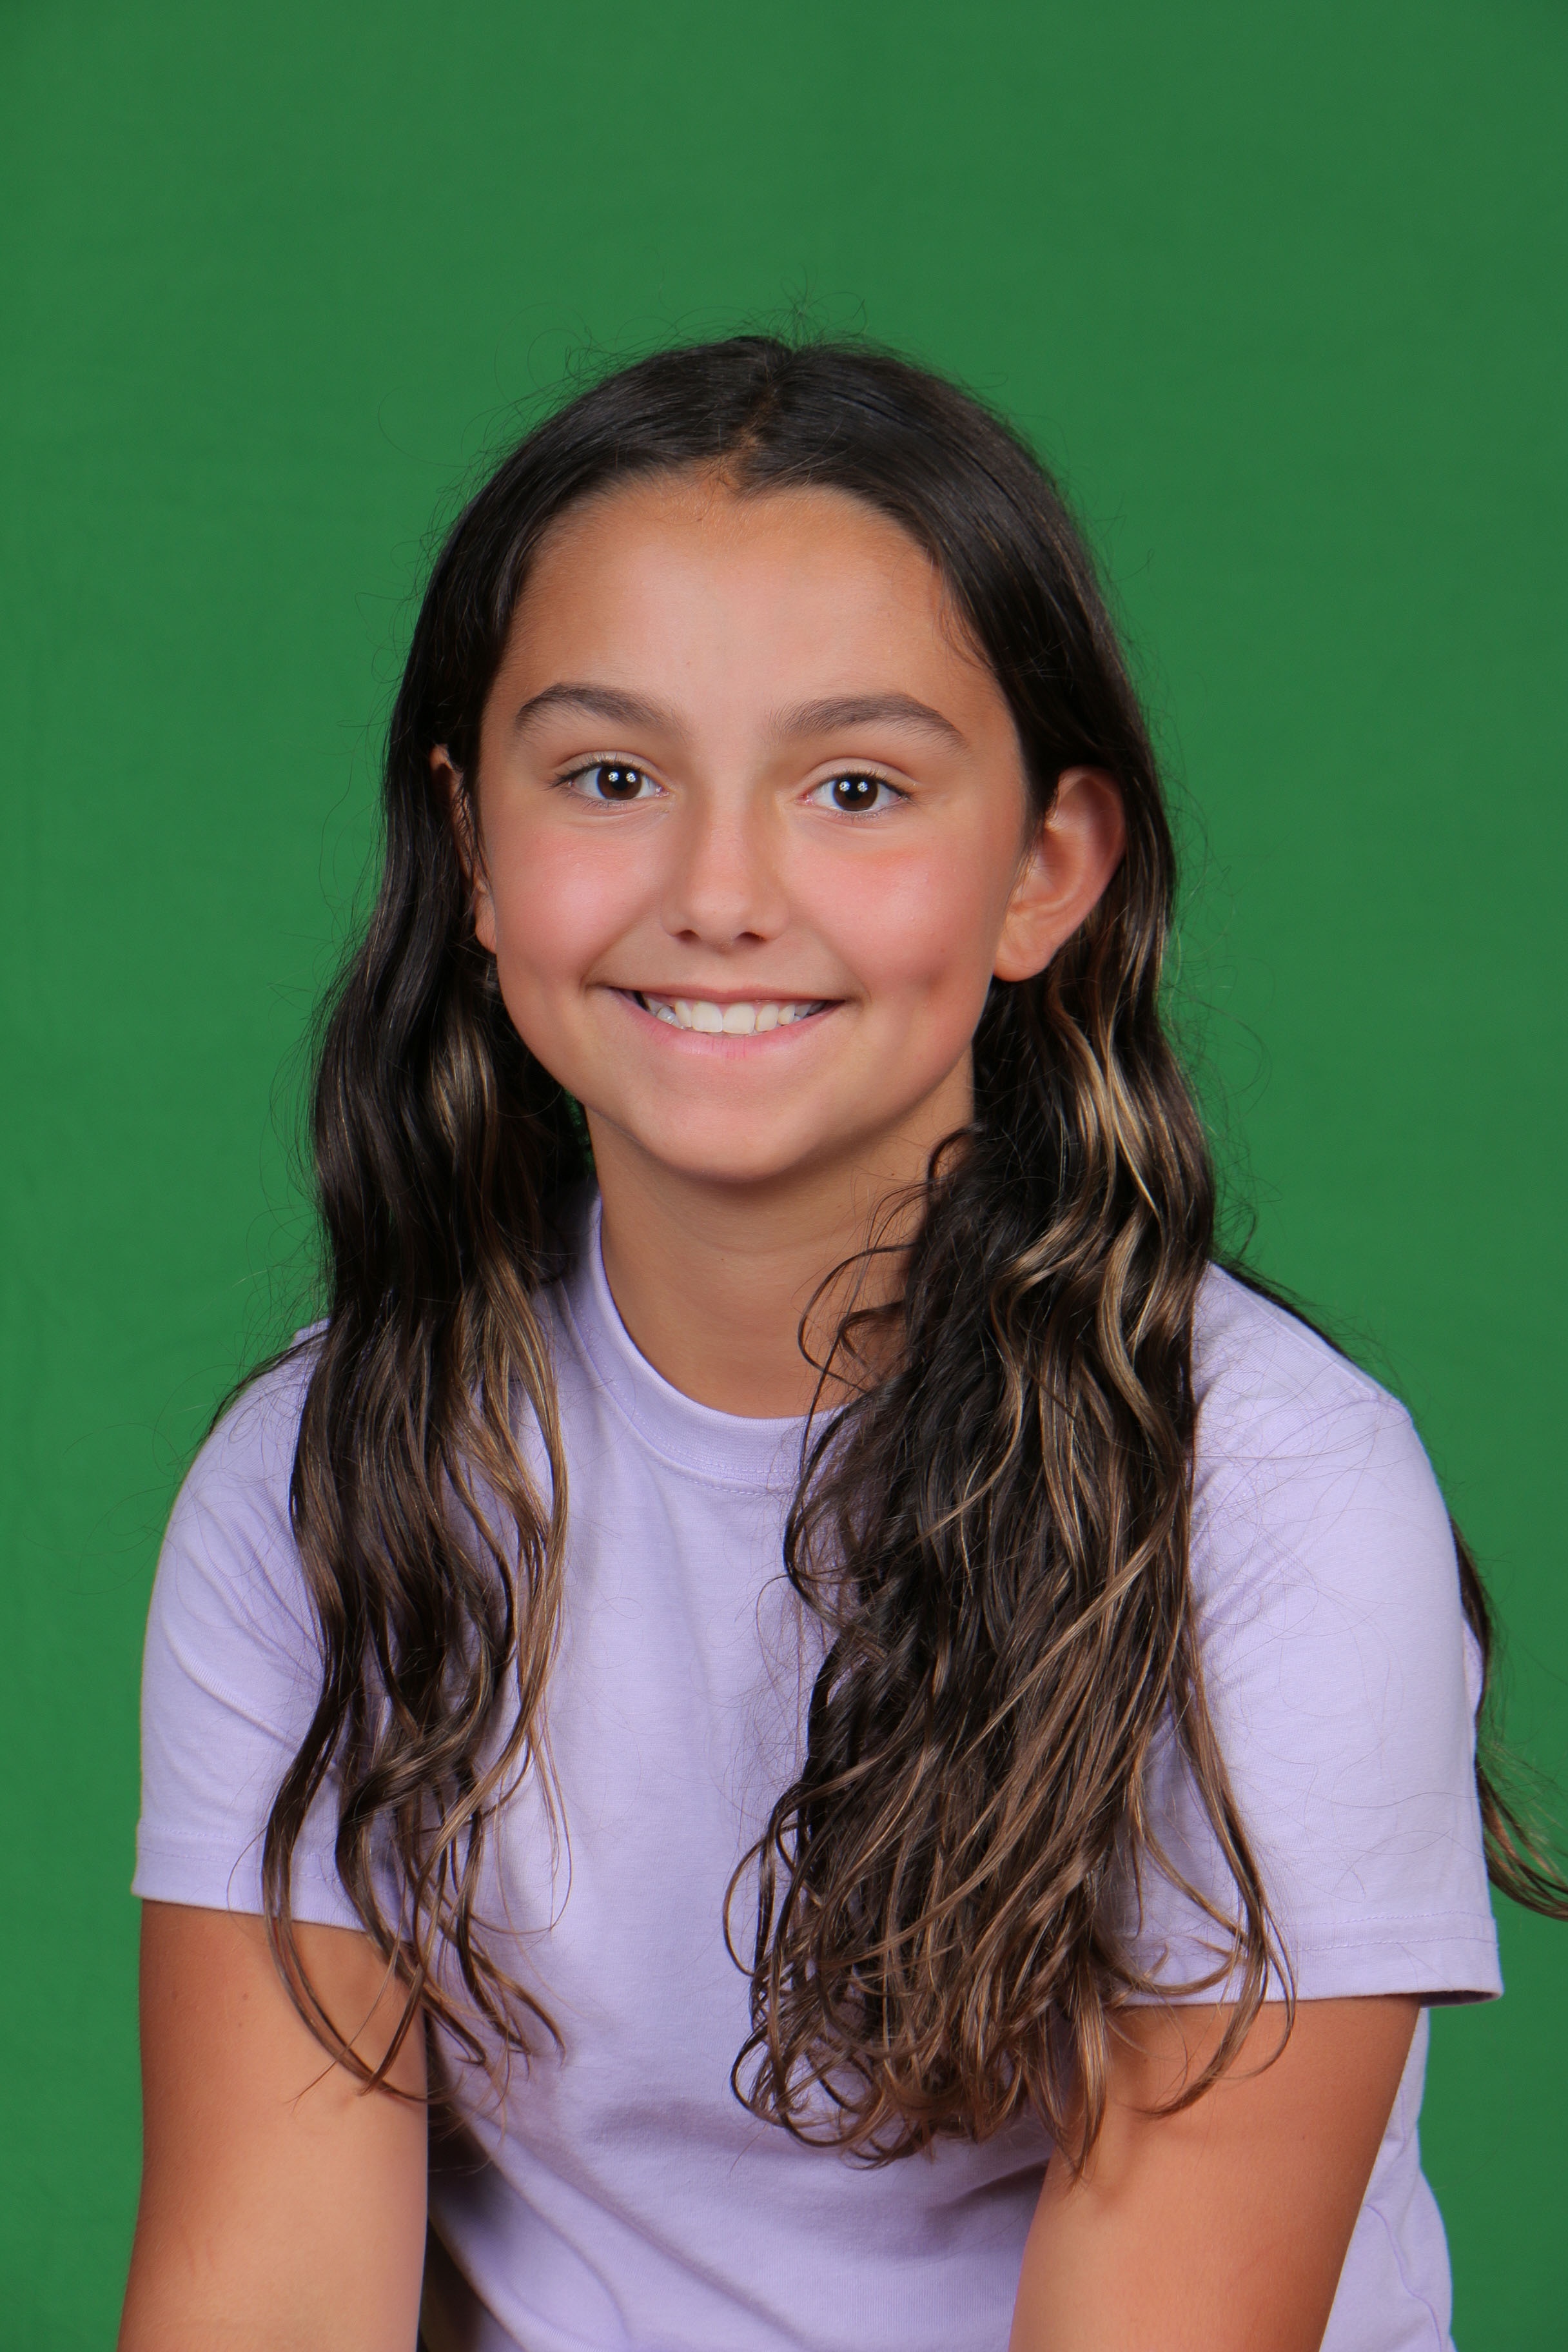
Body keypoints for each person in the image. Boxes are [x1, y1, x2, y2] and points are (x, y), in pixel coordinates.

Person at [117, 337, 1563, 2352]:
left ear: (1048, 870)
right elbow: (266, 2296)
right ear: (470, 852)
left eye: (856, 790)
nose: (720, 893)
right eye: (611, 780)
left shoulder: (1278, 1500)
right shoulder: (324, 1477)